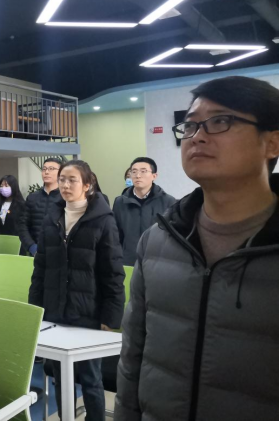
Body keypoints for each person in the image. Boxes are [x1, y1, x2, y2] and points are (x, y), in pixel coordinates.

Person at [116, 77, 279, 421]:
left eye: (221, 121)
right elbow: (133, 357)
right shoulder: (159, 241)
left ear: (272, 142)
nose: (197, 136)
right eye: (189, 126)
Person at [29, 160, 124, 420]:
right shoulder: (52, 218)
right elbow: (40, 268)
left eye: (72, 180)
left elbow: (113, 272)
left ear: (87, 184)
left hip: (88, 312)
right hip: (55, 309)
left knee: (91, 377)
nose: (65, 185)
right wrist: (35, 309)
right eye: (62, 179)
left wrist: (110, 317)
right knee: (60, 376)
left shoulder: (103, 220)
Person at [112, 157, 177, 266]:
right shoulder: (120, 202)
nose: (138, 175)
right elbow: (115, 235)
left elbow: (173, 236)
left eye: (143, 171)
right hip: (128, 261)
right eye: (134, 171)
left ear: (154, 176)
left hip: (158, 262)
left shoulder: (168, 201)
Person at [17, 157, 63, 256]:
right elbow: (23, 225)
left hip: (59, 253)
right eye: (44, 169)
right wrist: (31, 247)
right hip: (35, 252)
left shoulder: (65, 198)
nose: (46, 172)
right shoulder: (32, 198)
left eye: (51, 169)